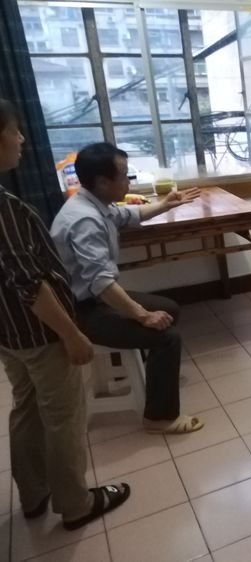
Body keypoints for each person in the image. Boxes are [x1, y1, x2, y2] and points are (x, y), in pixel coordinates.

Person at [0, 99, 130, 530]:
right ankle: (75, 504)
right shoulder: (6, 210)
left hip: (9, 331)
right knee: (63, 417)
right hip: (41, 330)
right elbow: (30, 283)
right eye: (14, 130)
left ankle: (34, 493)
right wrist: (71, 334)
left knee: (26, 409)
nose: (21, 138)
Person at [50, 142, 204, 434]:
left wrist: (166, 204)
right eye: (123, 176)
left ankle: (152, 376)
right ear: (102, 182)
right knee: (167, 338)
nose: (128, 181)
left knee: (169, 309)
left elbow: (129, 216)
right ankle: (159, 418)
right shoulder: (84, 220)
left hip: (94, 298)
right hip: (81, 310)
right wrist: (143, 316)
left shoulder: (94, 203)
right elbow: (102, 283)